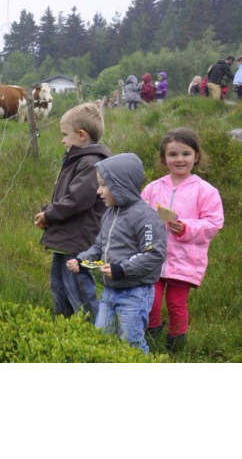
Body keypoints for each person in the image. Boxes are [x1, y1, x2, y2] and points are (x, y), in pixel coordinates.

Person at [67, 154, 167, 354]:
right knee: (102, 339)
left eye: (104, 185)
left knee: (131, 343)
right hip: (109, 292)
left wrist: (122, 269)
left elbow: (154, 254)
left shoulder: (146, 217)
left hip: (135, 293)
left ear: (121, 185)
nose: (98, 191)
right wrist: (82, 259)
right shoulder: (110, 214)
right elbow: (99, 246)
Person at [141, 129, 224, 352]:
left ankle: (175, 344)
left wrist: (186, 227)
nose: (179, 159)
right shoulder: (153, 188)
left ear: (196, 156)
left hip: (185, 259)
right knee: (151, 301)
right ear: (163, 158)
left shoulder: (205, 191)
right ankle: (152, 336)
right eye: (173, 154)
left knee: (176, 304)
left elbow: (213, 223)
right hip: (153, 257)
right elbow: (139, 217)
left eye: (186, 154)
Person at [34, 104, 111, 323]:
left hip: (77, 241)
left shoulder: (90, 163)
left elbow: (77, 200)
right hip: (66, 237)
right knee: (58, 286)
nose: (62, 140)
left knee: (78, 289)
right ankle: (65, 328)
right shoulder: (78, 160)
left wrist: (49, 214)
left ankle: (93, 332)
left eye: (65, 135)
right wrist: (49, 213)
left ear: (81, 135)